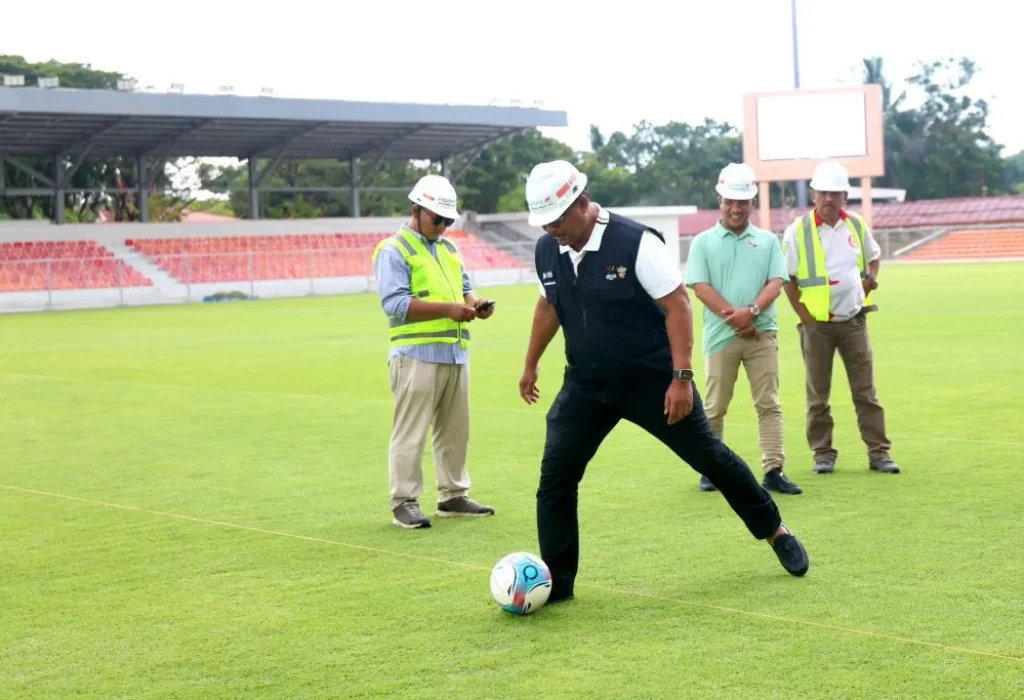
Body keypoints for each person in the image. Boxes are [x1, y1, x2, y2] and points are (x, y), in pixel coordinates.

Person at [518, 160, 809, 604]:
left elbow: (678, 307)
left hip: (654, 382)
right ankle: (557, 584)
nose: (551, 229)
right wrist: (531, 364)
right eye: (544, 222)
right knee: (555, 479)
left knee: (711, 458)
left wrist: (682, 378)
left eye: (557, 219)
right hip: (586, 385)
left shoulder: (634, 242)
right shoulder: (548, 249)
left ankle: (774, 530)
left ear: (581, 203)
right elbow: (548, 307)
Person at [371, 174, 496, 529]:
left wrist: (477, 303)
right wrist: (448, 310)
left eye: (447, 221)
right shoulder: (394, 249)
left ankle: (453, 495)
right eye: (437, 219)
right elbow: (395, 303)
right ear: (416, 210)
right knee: (410, 431)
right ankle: (403, 500)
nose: (442, 227)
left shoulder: (449, 249)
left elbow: (466, 288)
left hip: (454, 352)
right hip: (415, 354)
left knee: (456, 430)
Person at [685, 163, 802, 495]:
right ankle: (711, 470)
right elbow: (700, 287)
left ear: (752, 203)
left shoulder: (766, 241)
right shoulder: (703, 242)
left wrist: (750, 313)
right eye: (729, 201)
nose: (735, 208)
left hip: (762, 334)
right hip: (721, 337)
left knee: (768, 404)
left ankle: (774, 470)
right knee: (715, 406)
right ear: (720, 201)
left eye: (742, 202)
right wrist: (737, 319)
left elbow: (776, 282)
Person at [781, 160, 900, 475]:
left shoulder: (856, 225)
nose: (828, 199)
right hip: (816, 325)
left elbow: (873, 258)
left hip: (853, 321)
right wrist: (805, 316)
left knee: (866, 392)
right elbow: (786, 278)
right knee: (818, 395)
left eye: (834, 193)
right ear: (813, 195)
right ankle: (822, 453)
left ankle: (879, 453)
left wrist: (870, 280)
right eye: (822, 193)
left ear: (845, 196)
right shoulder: (798, 231)